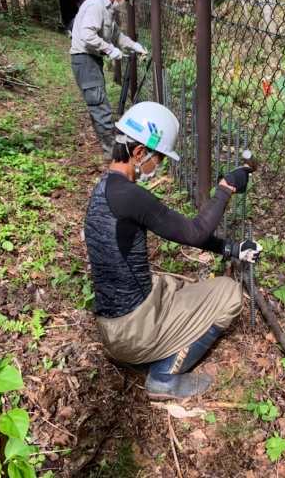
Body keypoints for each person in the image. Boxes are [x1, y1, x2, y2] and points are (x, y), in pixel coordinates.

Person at [84, 101, 263, 401]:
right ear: (139, 152)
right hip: (131, 331)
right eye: (160, 157)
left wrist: (232, 248)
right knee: (229, 293)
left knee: (175, 284)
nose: (161, 165)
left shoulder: (106, 188)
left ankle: (154, 345)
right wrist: (227, 186)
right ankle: (164, 376)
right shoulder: (130, 195)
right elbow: (196, 232)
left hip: (115, 323)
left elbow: (186, 235)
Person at [70, 0, 148, 154]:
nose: (125, 4)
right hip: (84, 59)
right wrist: (109, 49)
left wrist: (136, 46)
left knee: (97, 100)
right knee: (98, 102)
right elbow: (87, 34)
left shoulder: (107, 10)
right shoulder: (96, 6)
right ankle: (111, 149)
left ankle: (108, 142)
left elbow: (117, 36)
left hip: (90, 59)